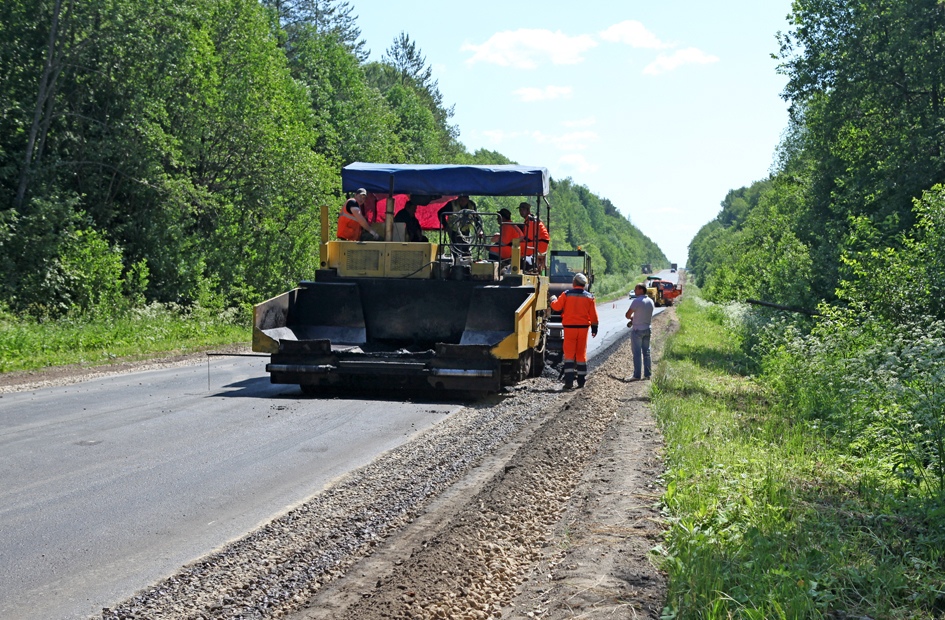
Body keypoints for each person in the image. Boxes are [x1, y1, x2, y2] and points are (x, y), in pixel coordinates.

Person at [550, 273, 599, 390]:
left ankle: (569, 382)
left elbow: (556, 307)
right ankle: (581, 382)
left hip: (569, 328)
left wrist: (553, 300)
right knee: (581, 354)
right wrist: (594, 328)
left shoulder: (566, 294)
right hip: (583, 328)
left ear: (574, 283)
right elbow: (593, 315)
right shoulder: (589, 297)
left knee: (569, 355)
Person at [625, 283, 655, 380]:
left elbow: (627, 315)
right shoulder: (650, 301)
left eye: (636, 289)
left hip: (637, 330)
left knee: (637, 353)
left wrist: (632, 318)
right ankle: (647, 374)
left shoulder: (636, 301)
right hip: (647, 329)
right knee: (647, 353)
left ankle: (637, 375)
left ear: (641, 290)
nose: (634, 291)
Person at [518, 202, 549, 269]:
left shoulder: (531, 221)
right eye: (520, 210)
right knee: (517, 244)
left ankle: (517, 263)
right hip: (538, 243)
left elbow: (529, 238)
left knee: (516, 246)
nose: (521, 212)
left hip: (540, 245)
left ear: (528, 210)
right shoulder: (529, 220)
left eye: (523, 209)